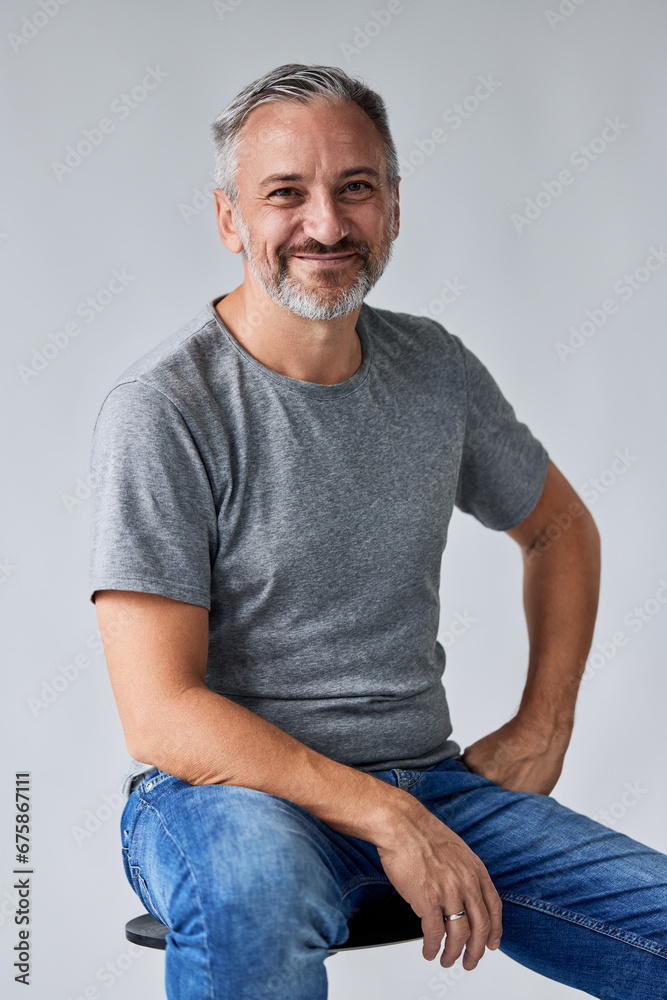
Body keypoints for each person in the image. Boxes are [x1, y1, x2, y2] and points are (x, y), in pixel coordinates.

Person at [88, 63, 667, 1000]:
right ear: (231, 219)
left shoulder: (433, 369)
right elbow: (160, 712)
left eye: (354, 188)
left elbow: (559, 527)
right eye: (285, 194)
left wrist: (544, 722)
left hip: (432, 783)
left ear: (393, 207)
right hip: (224, 799)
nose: (325, 224)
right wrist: (384, 817)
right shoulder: (164, 408)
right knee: (254, 899)